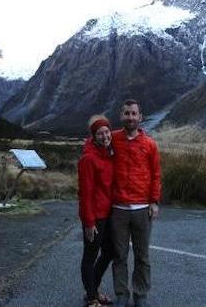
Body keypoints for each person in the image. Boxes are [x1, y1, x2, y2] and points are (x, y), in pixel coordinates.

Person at [111, 99, 161, 307]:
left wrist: (154, 201)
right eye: (126, 113)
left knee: (142, 257)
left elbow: (156, 175)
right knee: (119, 255)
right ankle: (122, 294)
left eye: (134, 114)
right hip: (118, 209)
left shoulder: (150, 144)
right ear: (121, 116)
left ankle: (140, 294)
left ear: (140, 117)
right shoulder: (112, 139)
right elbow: (93, 145)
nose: (130, 117)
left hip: (142, 209)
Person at [78, 115, 115, 307]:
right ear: (94, 136)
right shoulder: (88, 159)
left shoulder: (108, 153)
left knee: (109, 251)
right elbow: (85, 193)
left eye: (107, 132)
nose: (105, 136)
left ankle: (94, 289)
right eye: (100, 133)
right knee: (90, 257)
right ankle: (91, 298)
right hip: (95, 217)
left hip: (107, 214)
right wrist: (89, 222)